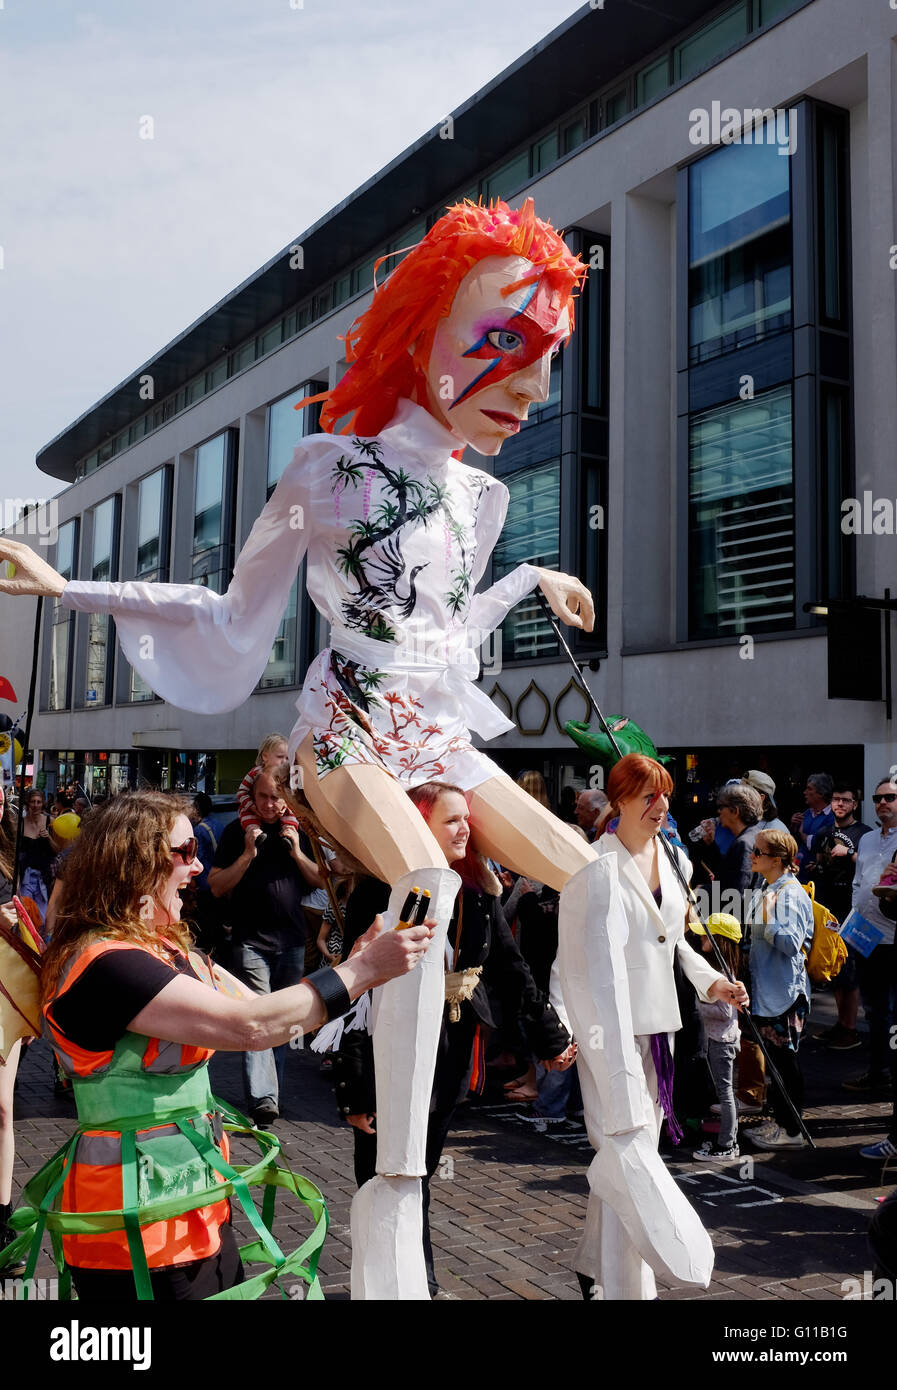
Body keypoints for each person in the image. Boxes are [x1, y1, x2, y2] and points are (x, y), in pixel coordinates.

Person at [0, 198, 705, 1300]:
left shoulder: (483, 491)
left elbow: (446, 634)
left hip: (431, 713)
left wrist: (526, 580)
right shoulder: (328, 467)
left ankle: (627, 1149)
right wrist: (67, 589)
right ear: (426, 332)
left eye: (546, 360)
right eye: (506, 347)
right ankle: (397, 1199)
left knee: (603, 879)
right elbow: (234, 606)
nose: (530, 388)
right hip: (344, 722)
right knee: (424, 879)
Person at [1, 790, 431, 1301]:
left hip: (195, 1207)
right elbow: (250, 1026)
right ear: (135, 861)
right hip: (134, 1228)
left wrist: (353, 970)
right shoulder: (105, 963)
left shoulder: (163, 947)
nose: (199, 866)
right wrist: (360, 970)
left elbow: (276, 1012)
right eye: (184, 853)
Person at [332, 780, 573, 1296]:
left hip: (451, 1048)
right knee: (381, 1172)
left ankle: (418, 1278)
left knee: (420, 1169)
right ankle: (389, 1281)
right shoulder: (383, 888)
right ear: (420, 824)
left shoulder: (477, 889)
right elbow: (356, 993)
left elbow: (511, 968)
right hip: (387, 1053)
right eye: (451, 820)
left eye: (467, 818)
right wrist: (355, 1091)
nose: (466, 828)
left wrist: (551, 1039)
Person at [563, 754, 747, 1300]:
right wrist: (566, 1025)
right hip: (608, 1031)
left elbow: (675, 942)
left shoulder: (675, 861)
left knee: (633, 1152)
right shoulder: (594, 865)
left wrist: (711, 981)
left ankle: (596, 1266)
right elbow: (569, 959)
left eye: (664, 795)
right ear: (618, 801)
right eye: (649, 796)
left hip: (660, 1026)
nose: (662, 806)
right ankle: (623, 1284)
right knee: (625, 1151)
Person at [208, 769, 323, 1127]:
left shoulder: (298, 831)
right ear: (252, 799)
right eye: (264, 797)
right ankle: (263, 1098)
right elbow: (215, 885)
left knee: (284, 1018)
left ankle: (271, 1091)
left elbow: (322, 879)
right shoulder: (236, 832)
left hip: (290, 940)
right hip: (251, 940)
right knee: (259, 1013)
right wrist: (246, 854)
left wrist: (298, 853)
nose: (271, 805)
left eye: (276, 797)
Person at [746, 830, 814, 1151]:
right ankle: (782, 1123)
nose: (752, 855)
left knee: (785, 1063)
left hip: (785, 995)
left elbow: (791, 944)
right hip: (769, 990)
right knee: (776, 1063)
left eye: (758, 851)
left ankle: (792, 1130)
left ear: (777, 859)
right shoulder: (767, 887)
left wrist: (767, 915)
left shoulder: (790, 894)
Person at [842, 776, 897, 1160]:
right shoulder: (866, 839)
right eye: (878, 798)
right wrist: (849, 926)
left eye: (890, 797)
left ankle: (887, 1072)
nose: (882, 803)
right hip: (866, 937)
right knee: (874, 1011)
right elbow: (859, 883)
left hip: (895, 940)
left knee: (890, 1014)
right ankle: (879, 1071)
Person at [812, 783, 870, 1052]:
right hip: (829, 907)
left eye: (845, 800)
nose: (840, 805)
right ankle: (841, 1023)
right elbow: (820, 861)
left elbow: (872, 866)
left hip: (855, 908)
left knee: (853, 971)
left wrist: (849, 853)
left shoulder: (864, 834)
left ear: (854, 804)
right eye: (836, 800)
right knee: (836, 967)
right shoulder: (825, 831)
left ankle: (850, 1028)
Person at [690, 914, 743, 1162]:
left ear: (718, 940)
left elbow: (723, 1011)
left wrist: (696, 1004)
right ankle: (725, 1139)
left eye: (705, 933)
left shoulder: (724, 974)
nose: (700, 937)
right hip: (719, 1039)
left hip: (722, 1041)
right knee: (723, 1094)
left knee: (726, 1094)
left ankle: (727, 1145)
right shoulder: (721, 970)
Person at [235, 733, 300, 846]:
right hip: (253, 807)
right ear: (265, 757)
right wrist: (251, 806)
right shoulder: (255, 773)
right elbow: (241, 792)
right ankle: (255, 834)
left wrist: (285, 806)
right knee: (246, 814)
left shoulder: (290, 775)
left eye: (288, 758)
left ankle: (288, 834)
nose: (284, 761)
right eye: (280, 757)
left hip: (282, 809)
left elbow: (295, 796)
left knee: (293, 813)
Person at [18, 788, 57, 923]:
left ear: (43, 804)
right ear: (28, 804)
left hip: (44, 877)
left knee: (43, 916)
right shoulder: (20, 823)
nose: (35, 805)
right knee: (25, 915)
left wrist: (49, 838)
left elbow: (58, 850)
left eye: (38, 802)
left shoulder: (50, 821)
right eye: (33, 802)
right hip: (25, 876)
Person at [791, 772, 834, 878]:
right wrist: (794, 825)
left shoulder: (832, 816)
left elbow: (819, 844)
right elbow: (794, 842)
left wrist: (802, 833)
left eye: (809, 789)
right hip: (799, 873)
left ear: (821, 793)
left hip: (816, 877)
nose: (805, 792)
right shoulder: (807, 813)